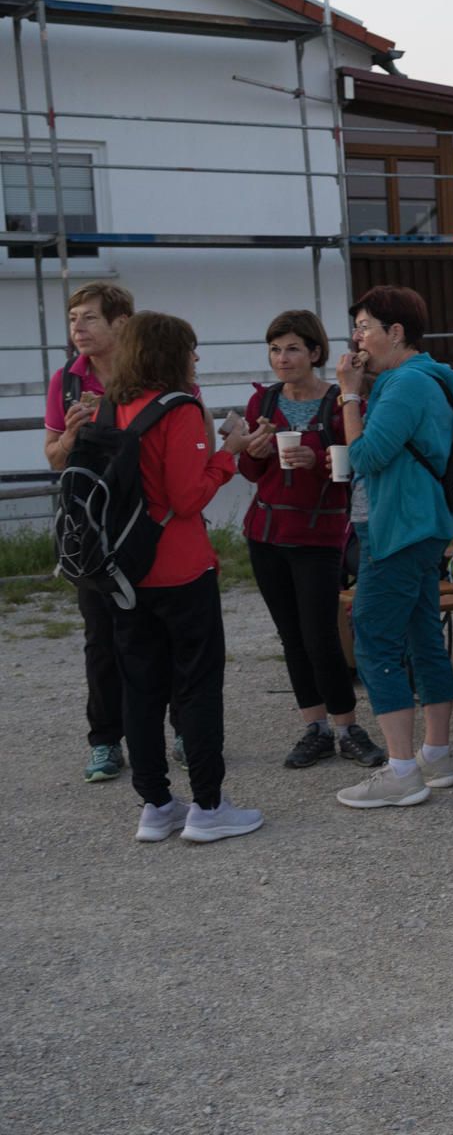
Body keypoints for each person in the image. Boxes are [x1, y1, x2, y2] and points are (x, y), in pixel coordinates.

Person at [106, 311, 263, 843]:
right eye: (191, 348)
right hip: (179, 566)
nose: (196, 357)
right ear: (172, 353)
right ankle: (208, 806)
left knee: (140, 689)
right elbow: (188, 496)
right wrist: (228, 454)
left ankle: (155, 805)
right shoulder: (179, 407)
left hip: (124, 569)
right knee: (196, 686)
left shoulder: (112, 405)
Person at [332, 286, 453, 810]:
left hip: (398, 527)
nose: (357, 338)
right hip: (419, 522)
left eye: (365, 327)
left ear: (396, 332)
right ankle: (436, 755)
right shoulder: (420, 379)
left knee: (373, 638)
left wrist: (349, 395)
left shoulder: (407, 383)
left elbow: (367, 457)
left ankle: (402, 771)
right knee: (421, 634)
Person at [235, 309, 385, 770]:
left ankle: (347, 728)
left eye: (293, 349)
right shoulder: (261, 402)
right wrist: (254, 452)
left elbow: (352, 469)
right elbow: (250, 473)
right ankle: (314, 727)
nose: (282, 358)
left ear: (315, 352)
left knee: (321, 636)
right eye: (275, 349)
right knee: (292, 636)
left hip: (319, 536)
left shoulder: (339, 402)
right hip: (265, 534)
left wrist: (315, 459)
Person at [44, 282, 137, 783]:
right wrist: (71, 436)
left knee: (159, 632)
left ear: (121, 323)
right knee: (100, 639)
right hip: (90, 530)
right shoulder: (66, 381)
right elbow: (54, 458)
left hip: (142, 521)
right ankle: (105, 740)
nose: (77, 328)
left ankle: (182, 731)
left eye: (89, 318)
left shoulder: (149, 372)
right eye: (73, 318)